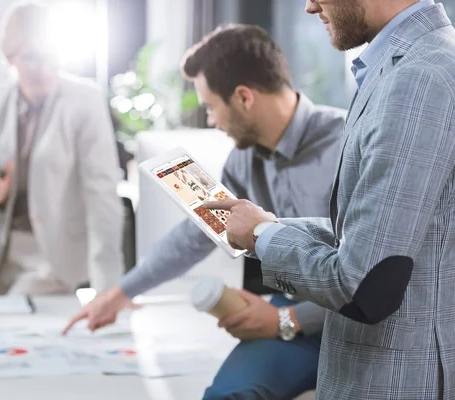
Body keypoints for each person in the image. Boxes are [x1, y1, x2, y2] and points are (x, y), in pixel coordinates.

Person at [64, 24, 346, 400]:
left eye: (211, 107)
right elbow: (195, 235)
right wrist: (119, 293)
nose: (212, 120)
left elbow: (372, 271)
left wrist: (286, 320)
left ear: (244, 98)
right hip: (293, 312)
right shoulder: (244, 161)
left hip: (354, 320)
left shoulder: (349, 144)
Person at [206, 1, 455, 398]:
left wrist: (263, 237)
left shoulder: (419, 77)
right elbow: (380, 236)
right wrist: (265, 226)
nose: (310, 6)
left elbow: (365, 283)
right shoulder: (399, 66)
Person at [0, 2, 124, 295]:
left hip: (56, 256)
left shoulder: (85, 101)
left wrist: (109, 286)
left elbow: (103, 192)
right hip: (5, 253)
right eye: (31, 57)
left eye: (51, 55)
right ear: (10, 57)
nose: (43, 68)